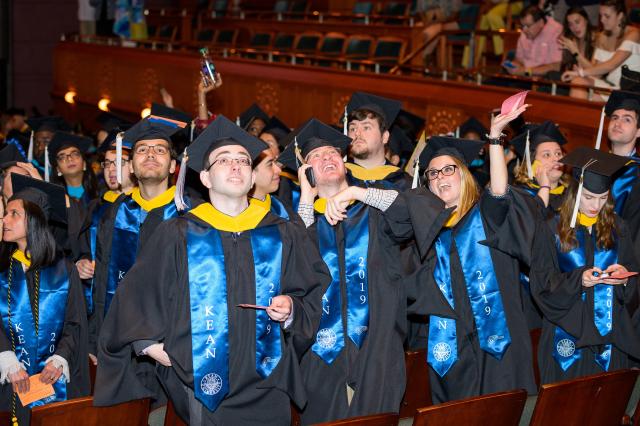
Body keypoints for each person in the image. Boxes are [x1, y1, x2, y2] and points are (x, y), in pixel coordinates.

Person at [94, 115, 328, 425]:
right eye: (224, 160)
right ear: (204, 178)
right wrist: (152, 348)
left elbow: (313, 292)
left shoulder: (281, 232)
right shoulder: (178, 233)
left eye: (243, 160)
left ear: (251, 175)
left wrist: (292, 310)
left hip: (269, 386)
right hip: (203, 388)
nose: (235, 166)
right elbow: (134, 297)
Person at [324, 102, 538, 403]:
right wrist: (357, 192)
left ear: (464, 175)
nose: (439, 177)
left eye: (448, 170)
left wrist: (494, 139)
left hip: (499, 348)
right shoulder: (424, 234)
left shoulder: (487, 218)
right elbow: (400, 209)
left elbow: (500, 192)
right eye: (432, 174)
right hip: (453, 354)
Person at [278, 118, 448, 422]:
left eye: (332, 153)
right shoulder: (300, 224)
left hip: (378, 348)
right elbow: (295, 268)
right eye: (316, 157)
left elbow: (417, 208)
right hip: (320, 353)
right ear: (305, 171)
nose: (327, 158)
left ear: (345, 163)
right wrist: (306, 197)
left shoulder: (373, 210)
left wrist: (357, 193)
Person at [530, 147, 640, 383]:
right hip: (568, 335)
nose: (595, 205)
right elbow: (541, 284)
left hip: (611, 336)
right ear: (575, 192)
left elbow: (634, 289)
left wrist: (625, 279)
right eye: (589, 197)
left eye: (602, 198)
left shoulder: (619, 229)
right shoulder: (552, 228)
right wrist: (577, 279)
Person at [89, 109, 190, 364]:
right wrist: (96, 338)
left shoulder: (192, 215)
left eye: (160, 149)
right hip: (120, 342)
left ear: (173, 166)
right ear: (131, 166)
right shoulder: (115, 212)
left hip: (172, 347)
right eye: (142, 150)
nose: (151, 155)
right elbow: (101, 279)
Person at [0, 174, 90, 425]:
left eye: (13, 214)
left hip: (52, 379)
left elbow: (74, 323)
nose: (4, 220)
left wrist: (60, 358)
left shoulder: (64, 270)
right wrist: (6, 359)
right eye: (5, 213)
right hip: (7, 380)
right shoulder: (1, 267)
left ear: (34, 222)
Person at [75, 130, 136, 315]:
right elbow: (82, 248)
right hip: (95, 305)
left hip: (132, 308)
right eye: (108, 163)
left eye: (119, 163)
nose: (111, 169)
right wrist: (81, 262)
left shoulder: (146, 209)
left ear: (134, 166)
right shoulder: (96, 206)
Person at [562, 0, 640, 100]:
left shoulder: (634, 34)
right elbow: (596, 72)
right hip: (610, 86)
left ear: (620, 15)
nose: (602, 20)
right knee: (578, 82)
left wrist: (581, 72)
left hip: (631, 90)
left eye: (607, 16)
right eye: (601, 15)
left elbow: (611, 65)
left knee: (587, 93)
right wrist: (576, 52)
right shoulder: (603, 36)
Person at [345, 92, 412, 191]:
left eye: (366, 127)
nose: (357, 133)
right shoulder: (337, 177)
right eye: (353, 129)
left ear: (384, 137)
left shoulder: (405, 184)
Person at [511, 120, 570, 218]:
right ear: (532, 163)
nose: (556, 158)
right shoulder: (521, 196)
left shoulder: (571, 194)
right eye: (547, 155)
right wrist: (545, 187)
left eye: (558, 153)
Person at [507, 5, 563, 77]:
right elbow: (518, 60)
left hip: (543, 80)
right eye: (522, 26)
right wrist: (514, 66)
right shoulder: (524, 33)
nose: (524, 30)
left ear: (541, 22)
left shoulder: (555, 31)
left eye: (528, 26)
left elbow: (555, 67)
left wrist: (526, 72)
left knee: (516, 87)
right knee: (492, 83)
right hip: (524, 76)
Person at [49, 132, 99, 206]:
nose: (69, 159)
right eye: (62, 157)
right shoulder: (54, 199)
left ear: (84, 163)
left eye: (75, 154)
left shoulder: (100, 192)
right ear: (58, 169)